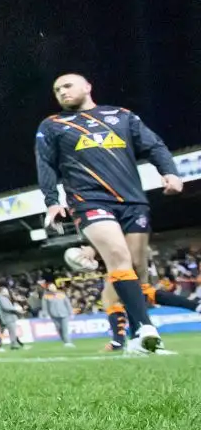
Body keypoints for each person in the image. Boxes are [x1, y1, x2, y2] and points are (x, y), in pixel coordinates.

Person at [35, 73, 183, 353]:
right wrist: (52, 201)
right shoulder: (52, 125)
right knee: (118, 257)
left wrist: (170, 172)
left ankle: (142, 336)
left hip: (132, 201)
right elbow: (45, 164)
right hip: (88, 200)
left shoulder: (122, 116)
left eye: (67, 85)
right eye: (57, 89)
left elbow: (154, 146)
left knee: (137, 270)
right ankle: (144, 331)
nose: (62, 92)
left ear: (88, 86)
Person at [0, 284, 27, 351]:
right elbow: (6, 307)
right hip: (7, 318)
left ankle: (0, 346)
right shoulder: (2, 298)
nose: (7, 292)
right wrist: (17, 310)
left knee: (5, 333)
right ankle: (14, 346)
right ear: (2, 291)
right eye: (6, 290)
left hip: (2, 318)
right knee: (12, 332)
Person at [41, 279, 74, 346]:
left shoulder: (61, 293)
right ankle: (65, 341)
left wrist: (71, 312)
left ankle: (68, 342)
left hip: (64, 314)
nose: (52, 288)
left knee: (65, 329)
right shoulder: (46, 296)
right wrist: (45, 314)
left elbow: (67, 303)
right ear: (48, 288)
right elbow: (44, 306)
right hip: (54, 315)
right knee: (59, 329)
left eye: (53, 286)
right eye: (50, 287)